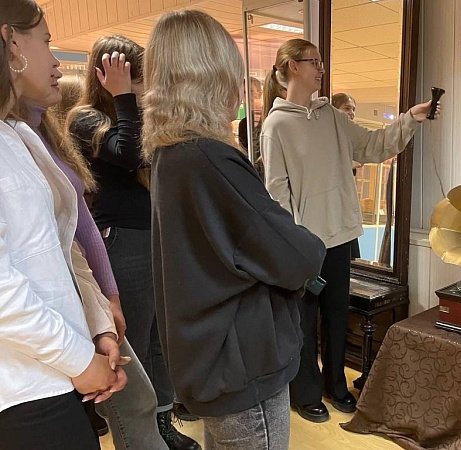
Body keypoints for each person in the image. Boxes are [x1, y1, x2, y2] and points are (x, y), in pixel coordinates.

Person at [142, 10, 326, 450]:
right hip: (242, 363)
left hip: (211, 359)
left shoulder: (170, 155)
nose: (238, 87)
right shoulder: (209, 157)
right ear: (212, 75)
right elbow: (299, 255)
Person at [261, 38, 440, 423]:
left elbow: (375, 145)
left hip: (340, 236)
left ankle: (335, 385)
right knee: (304, 321)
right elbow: (277, 191)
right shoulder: (276, 125)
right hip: (304, 244)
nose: (321, 69)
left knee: (337, 315)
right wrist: (295, 241)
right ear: (292, 67)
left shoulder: (332, 117)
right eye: (314, 62)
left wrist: (411, 118)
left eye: (320, 62)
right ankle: (305, 392)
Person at [67, 35, 200, 450]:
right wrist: (124, 96)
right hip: (122, 242)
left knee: (160, 341)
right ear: (106, 75)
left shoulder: (137, 115)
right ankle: (136, 437)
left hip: (154, 238)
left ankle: (161, 425)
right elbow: (130, 154)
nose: (144, 86)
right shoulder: (85, 119)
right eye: (136, 77)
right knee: (133, 346)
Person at [0, 1, 123, 448]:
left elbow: (57, 250)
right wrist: (79, 359)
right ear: (12, 41)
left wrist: (95, 327)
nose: (54, 59)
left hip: (49, 372)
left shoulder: (16, 135)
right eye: (46, 41)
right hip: (23, 387)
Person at [19, 92, 169, 448]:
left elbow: (77, 229)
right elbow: (131, 154)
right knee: (127, 395)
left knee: (136, 389)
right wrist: (123, 95)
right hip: (45, 311)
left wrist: (107, 299)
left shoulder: (40, 128)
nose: (57, 66)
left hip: (80, 284)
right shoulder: (75, 122)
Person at [331, 92, 362, 261]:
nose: (351, 113)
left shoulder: (348, 138)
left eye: (353, 109)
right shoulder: (326, 137)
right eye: (347, 108)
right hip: (331, 209)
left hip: (345, 206)